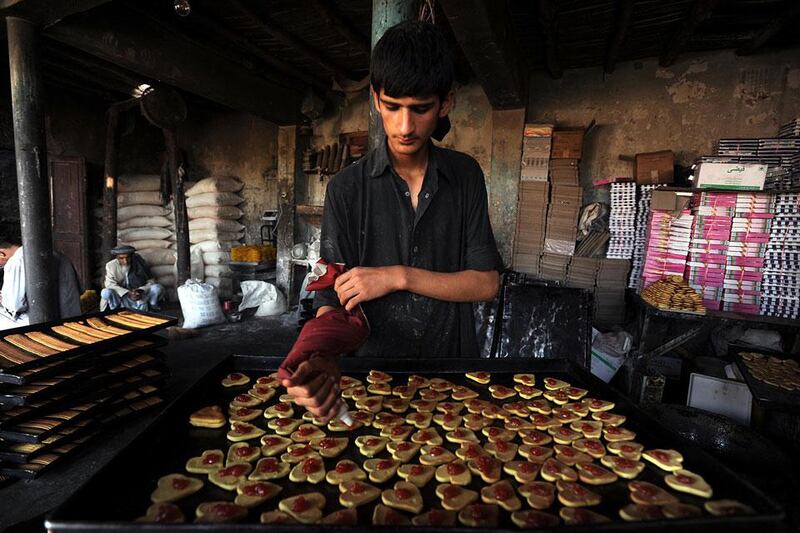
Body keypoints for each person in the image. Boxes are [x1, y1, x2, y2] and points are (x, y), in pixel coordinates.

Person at [283, 20, 503, 421]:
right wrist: (321, 356)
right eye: (393, 106)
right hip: (372, 376)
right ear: (375, 99)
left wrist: (398, 275)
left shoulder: (465, 176)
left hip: (452, 370)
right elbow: (331, 297)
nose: (405, 126)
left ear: (445, 103)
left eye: (420, 109)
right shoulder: (346, 190)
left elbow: (486, 283)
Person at [0, 233, 82, 330]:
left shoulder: (16, 261)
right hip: (70, 316)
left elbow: (15, 305)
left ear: (2, 254)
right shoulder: (57, 254)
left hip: (39, 324)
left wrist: (3, 299)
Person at [101, 245, 164, 312]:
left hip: (139, 294)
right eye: (121, 258)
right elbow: (109, 284)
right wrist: (127, 293)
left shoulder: (140, 263)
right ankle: (115, 309)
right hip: (122, 295)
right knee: (105, 292)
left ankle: (152, 305)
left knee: (157, 287)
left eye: (128, 258)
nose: (125, 261)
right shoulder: (110, 265)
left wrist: (141, 290)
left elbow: (151, 281)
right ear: (117, 258)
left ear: (132, 256)